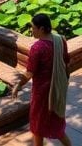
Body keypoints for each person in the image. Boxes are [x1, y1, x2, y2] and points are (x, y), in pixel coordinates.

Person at [12, 14, 72, 146]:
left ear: (42, 29)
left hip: (42, 93)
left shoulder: (37, 48)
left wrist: (18, 85)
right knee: (56, 122)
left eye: (33, 28)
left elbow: (29, 73)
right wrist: (65, 81)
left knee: (38, 125)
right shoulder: (60, 40)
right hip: (57, 89)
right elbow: (67, 62)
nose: (31, 31)